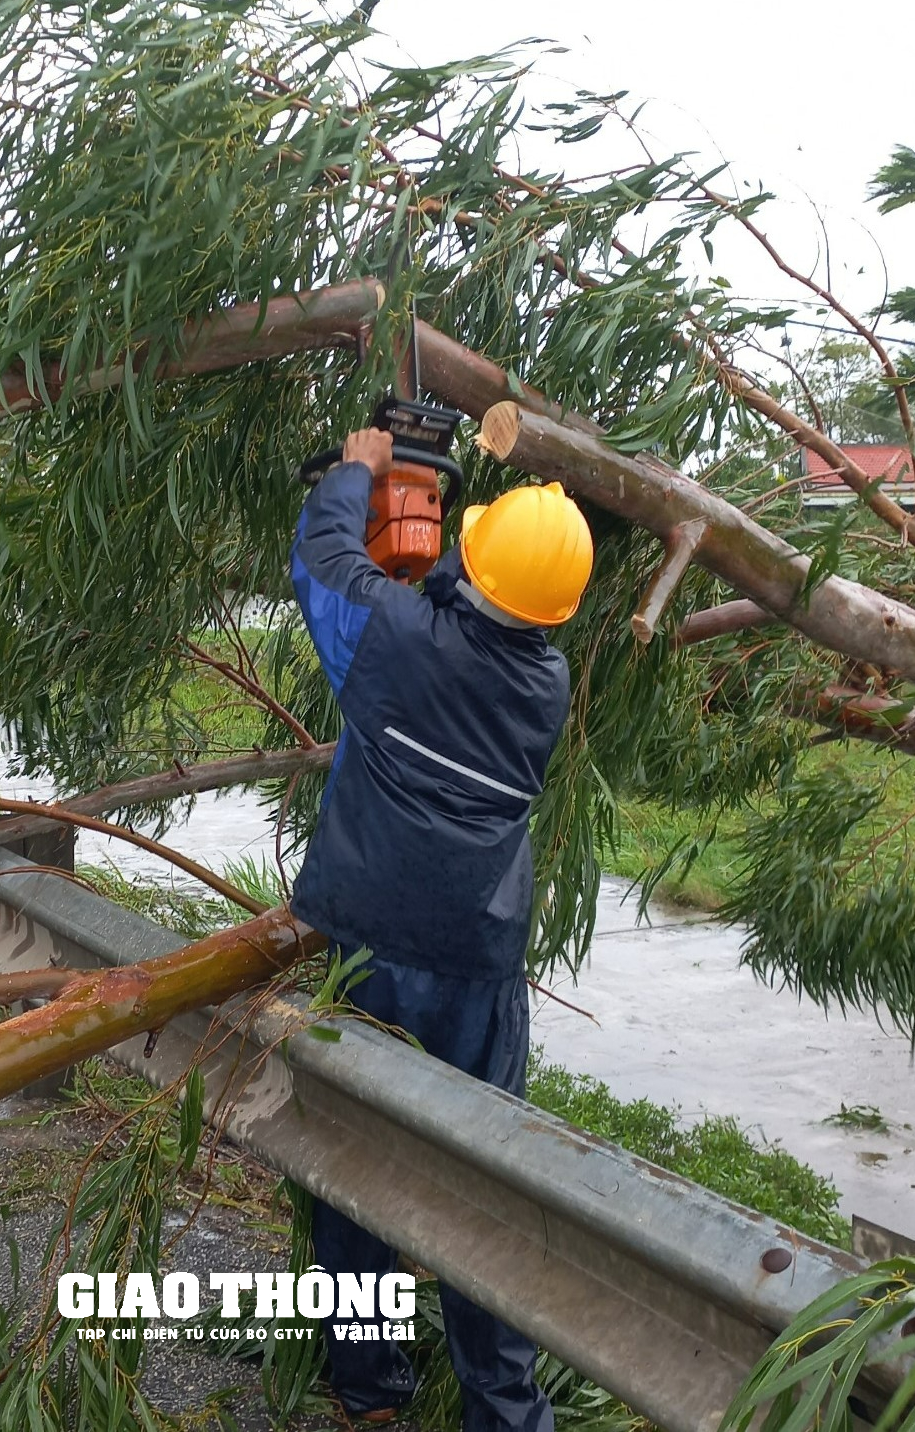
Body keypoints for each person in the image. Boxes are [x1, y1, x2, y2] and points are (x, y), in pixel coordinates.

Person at [289, 426, 594, 1432]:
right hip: (477, 961)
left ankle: (370, 1390)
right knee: (481, 1185)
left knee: (356, 1158)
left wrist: (357, 471)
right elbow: (459, 624)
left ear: (472, 559)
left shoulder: (392, 637)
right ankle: (502, 1409)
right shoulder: (543, 684)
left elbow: (322, 560)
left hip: (368, 949)